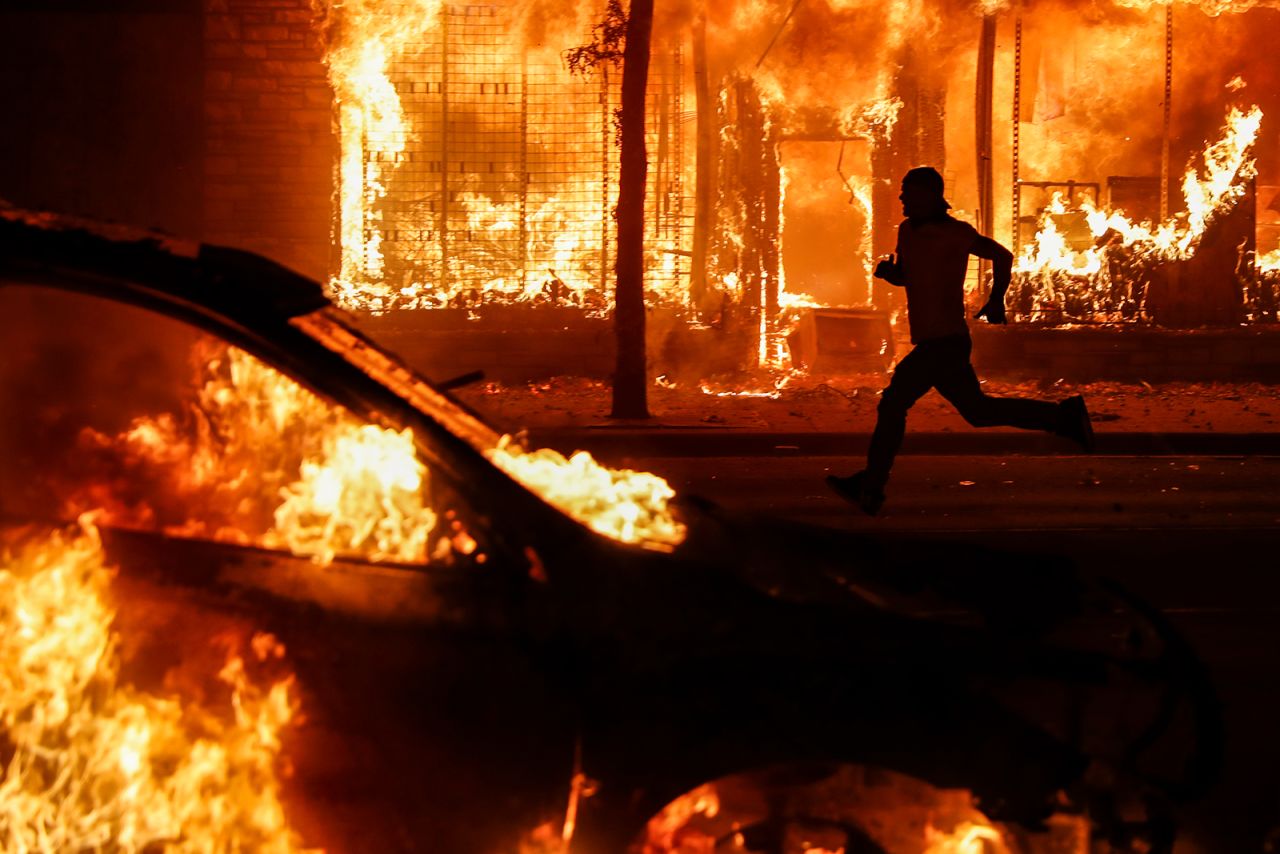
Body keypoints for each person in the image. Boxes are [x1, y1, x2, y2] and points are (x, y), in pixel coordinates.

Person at [827, 166, 1093, 515]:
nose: (902, 197)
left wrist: (997, 299)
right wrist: (891, 274)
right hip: (934, 341)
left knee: (893, 403)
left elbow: (1003, 255)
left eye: (908, 191)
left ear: (929, 195)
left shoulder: (956, 233)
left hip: (946, 342)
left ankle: (871, 486)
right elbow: (909, 275)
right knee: (978, 412)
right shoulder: (906, 232)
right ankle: (1064, 417)